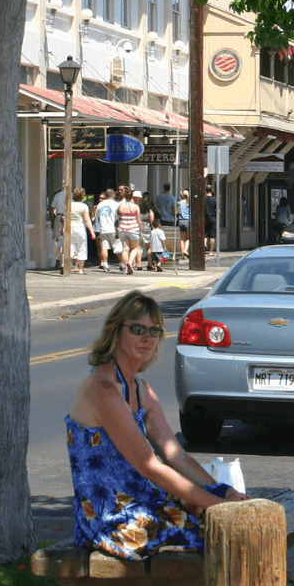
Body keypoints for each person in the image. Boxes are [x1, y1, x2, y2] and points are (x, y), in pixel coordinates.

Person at [65, 291, 249, 558]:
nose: (147, 337)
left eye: (155, 331)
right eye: (138, 329)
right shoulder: (104, 390)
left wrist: (224, 492)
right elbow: (149, 466)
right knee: (217, 533)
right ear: (116, 332)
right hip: (111, 519)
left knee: (241, 516)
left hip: (144, 501)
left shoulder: (141, 390)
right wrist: (217, 505)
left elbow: (177, 457)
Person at [94, 188, 122, 274]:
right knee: (117, 247)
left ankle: (105, 264)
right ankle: (122, 264)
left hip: (103, 228)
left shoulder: (100, 204)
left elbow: (96, 218)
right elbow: (120, 216)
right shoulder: (116, 204)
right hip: (113, 228)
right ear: (113, 195)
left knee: (104, 247)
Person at [69, 188, 95, 274]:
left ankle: (66, 265)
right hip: (79, 227)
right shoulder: (84, 206)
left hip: (70, 227)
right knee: (81, 248)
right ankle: (80, 268)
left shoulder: (69, 205)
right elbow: (87, 220)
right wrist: (92, 232)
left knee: (70, 247)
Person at [117, 185, 142, 275]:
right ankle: (130, 262)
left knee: (125, 249)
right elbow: (138, 221)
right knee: (135, 248)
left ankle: (125, 268)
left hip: (122, 228)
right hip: (133, 228)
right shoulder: (135, 207)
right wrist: (140, 231)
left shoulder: (120, 206)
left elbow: (118, 218)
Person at [139, 194, 155, 270]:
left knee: (139, 248)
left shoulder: (138, 210)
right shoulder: (150, 212)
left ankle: (138, 264)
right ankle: (149, 263)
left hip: (139, 229)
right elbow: (152, 222)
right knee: (148, 248)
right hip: (148, 230)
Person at [177, 189, 190, 259]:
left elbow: (177, 211)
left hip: (180, 220)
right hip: (187, 220)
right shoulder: (189, 203)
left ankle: (182, 254)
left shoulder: (179, 203)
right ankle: (185, 250)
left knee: (182, 238)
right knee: (188, 238)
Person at [204, 184, 217, 254]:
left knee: (204, 234)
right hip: (212, 219)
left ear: (206, 191)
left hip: (204, 219)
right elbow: (217, 210)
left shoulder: (203, 199)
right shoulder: (214, 199)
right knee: (212, 236)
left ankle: (204, 243)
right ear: (211, 190)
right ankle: (211, 251)